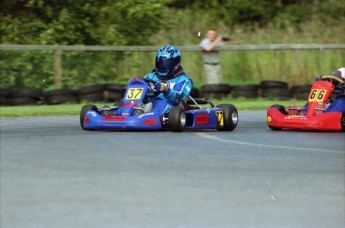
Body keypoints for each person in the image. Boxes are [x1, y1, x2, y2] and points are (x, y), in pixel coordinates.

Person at [142, 45, 193, 115]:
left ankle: (147, 116)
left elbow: (179, 99)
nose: (163, 66)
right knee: (129, 104)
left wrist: (166, 89)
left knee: (160, 105)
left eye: (167, 63)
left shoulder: (183, 80)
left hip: (171, 107)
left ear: (175, 63)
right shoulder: (149, 76)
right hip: (148, 102)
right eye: (161, 63)